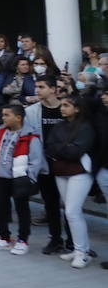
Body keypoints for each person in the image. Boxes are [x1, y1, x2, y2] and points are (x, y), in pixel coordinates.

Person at [0, 104, 45, 256]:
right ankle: (4, 238)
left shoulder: (30, 136)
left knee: (22, 209)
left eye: (6, 115)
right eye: (3, 114)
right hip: (0, 176)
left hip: (19, 179)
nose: (3, 118)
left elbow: (36, 160)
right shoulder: (1, 131)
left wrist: (28, 178)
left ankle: (22, 240)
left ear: (18, 117)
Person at [44, 94, 96, 268]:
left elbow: (76, 152)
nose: (62, 108)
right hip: (61, 172)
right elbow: (49, 147)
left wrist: (61, 149)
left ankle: (82, 252)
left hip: (79, 172)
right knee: (70, 211)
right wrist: (65, 147)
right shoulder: (59, 126)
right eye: (62, 105)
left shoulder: (86, 128)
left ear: (77, 108)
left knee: (72, 212)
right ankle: (80, 249)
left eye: (67, 105)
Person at [25, 75, 68, 255]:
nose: (37, 90)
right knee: (50, 204)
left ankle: (74, 242)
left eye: (41, 86)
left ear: (53, 89)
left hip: (67, 164)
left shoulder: (67, 108)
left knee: (70, 206)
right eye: (36, 87)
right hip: (44, 163)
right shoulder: (32, 111)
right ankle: (55, 239)